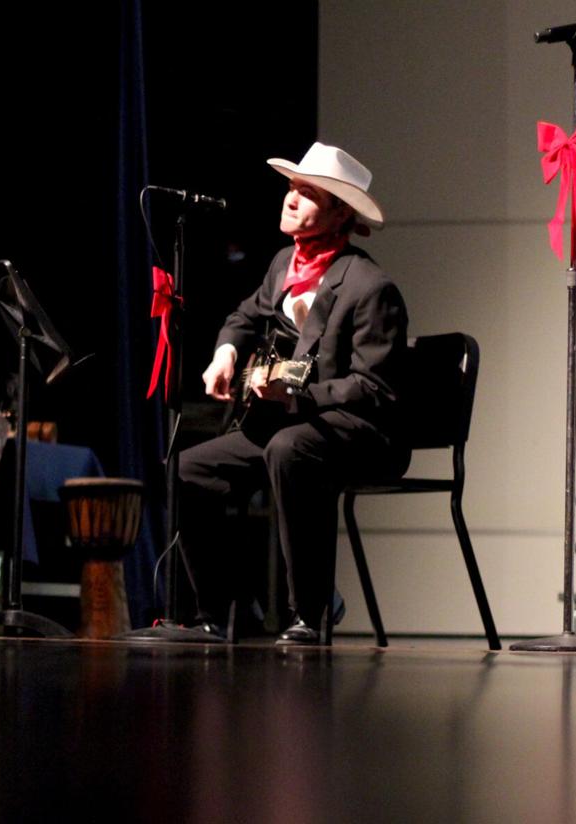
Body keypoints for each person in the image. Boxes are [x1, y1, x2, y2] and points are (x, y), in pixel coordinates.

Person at [178, 143, 411, 645]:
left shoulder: (370, 286)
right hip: (291, 424)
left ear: (339, 213)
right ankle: (220, 612)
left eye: (308, 194)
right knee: (189, 469)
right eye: (292, 189)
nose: (291, 200)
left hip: (362, 434)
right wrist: (226, 355)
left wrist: (298, 398)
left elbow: (374, 387)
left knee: (289, 449)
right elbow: (244, 318)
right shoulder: (284, 264)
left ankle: (312, 607)